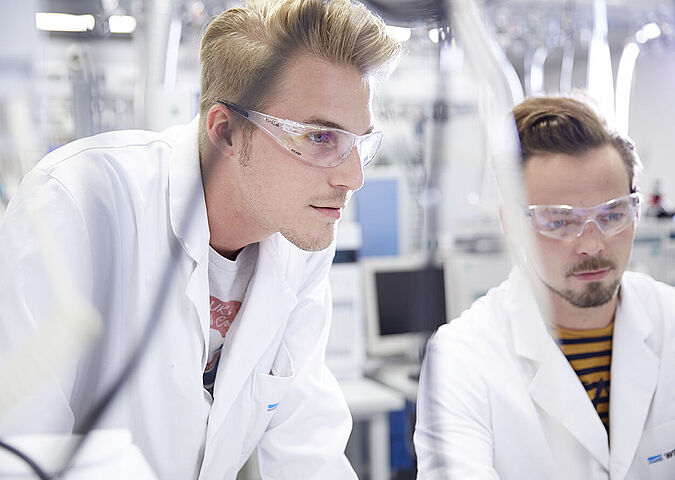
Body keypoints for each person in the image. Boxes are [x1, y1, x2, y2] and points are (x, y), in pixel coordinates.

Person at [0, 1, 401, 478]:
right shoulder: (79, 203)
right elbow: (22, 450)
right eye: (320, 138)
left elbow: (307, 447)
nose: (353, 178)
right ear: (226, 131)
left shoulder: (301, 240)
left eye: (360, 144)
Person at [414, 96, 675, 479]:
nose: (592, 244)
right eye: (559, 222)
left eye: (612, 214)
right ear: (511, 225)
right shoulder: (460, 358)